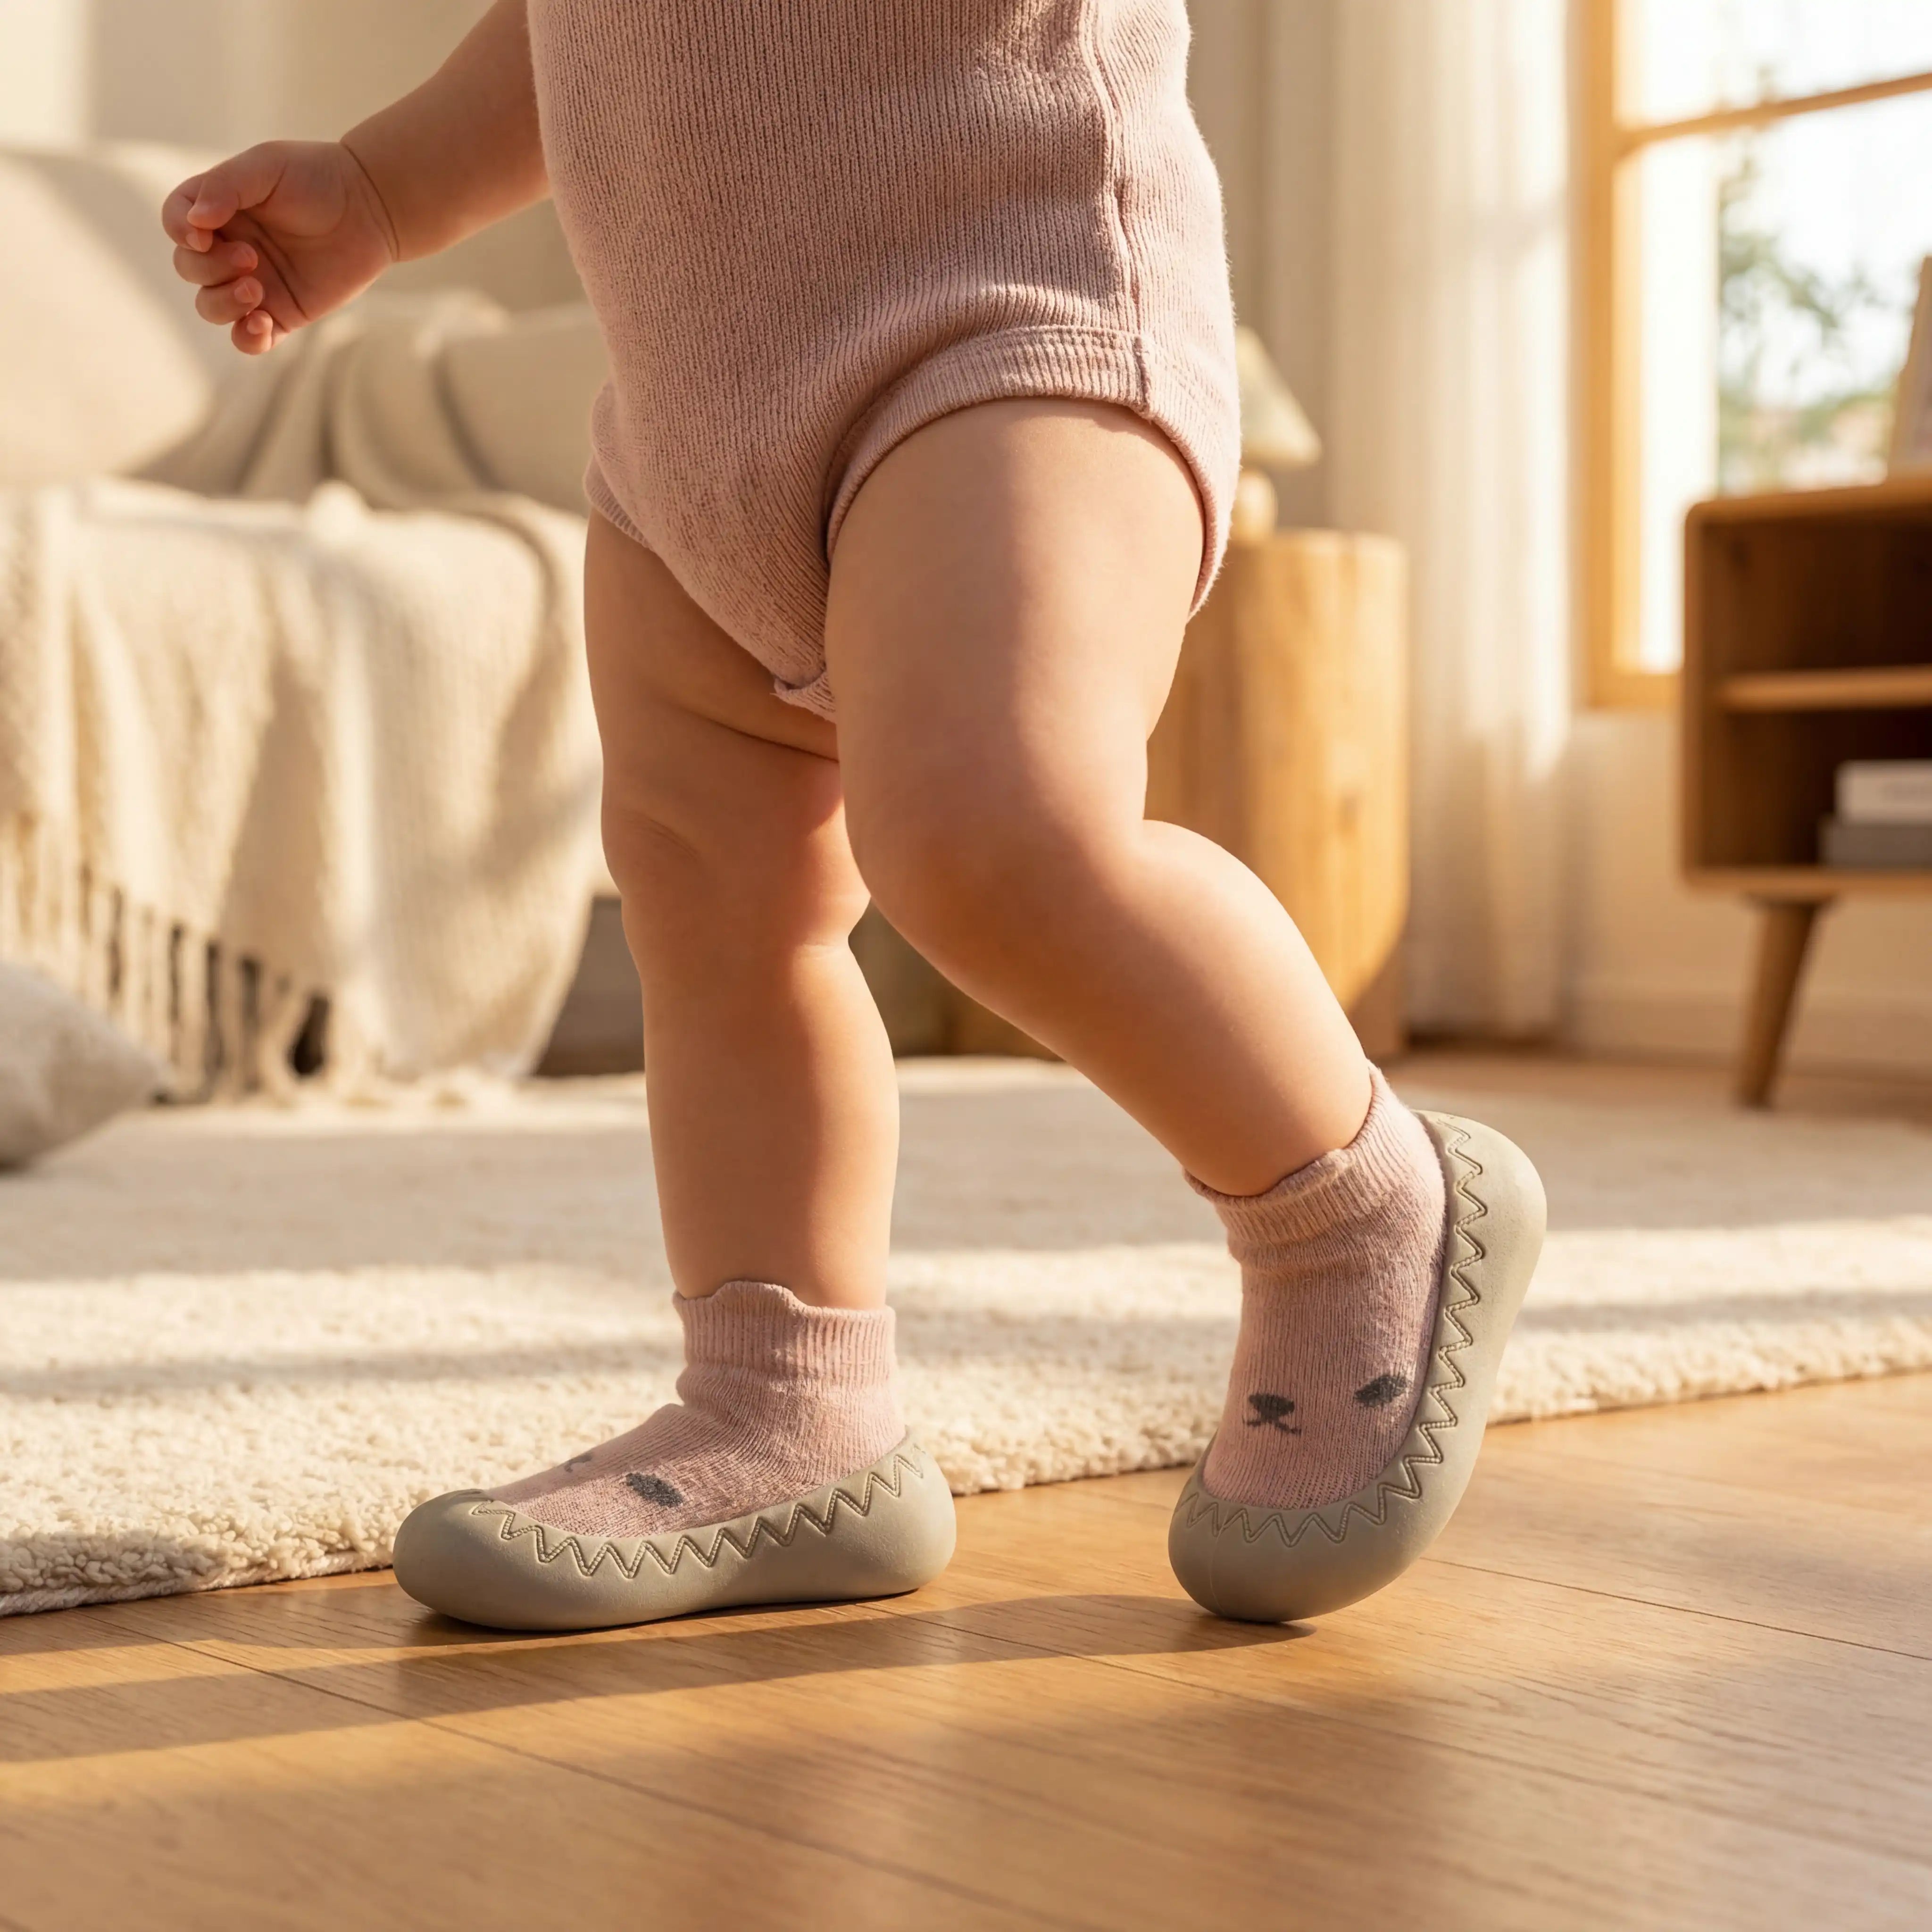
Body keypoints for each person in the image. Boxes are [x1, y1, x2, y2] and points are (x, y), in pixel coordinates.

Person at [164, 0, 1544, 1632]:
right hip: (692, 416)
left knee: (994, 831)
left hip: (1011, 310)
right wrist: (382, 189)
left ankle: (1353, 1202)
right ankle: (784, 1401)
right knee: (716, 913)